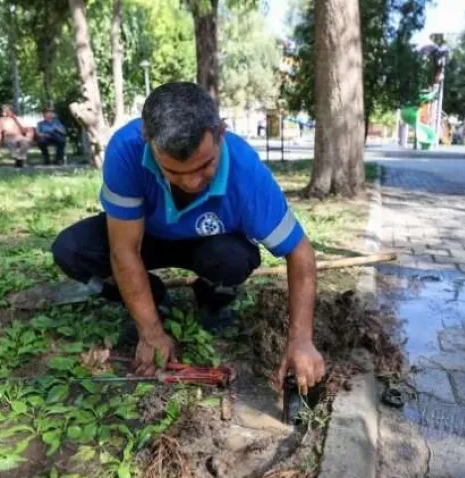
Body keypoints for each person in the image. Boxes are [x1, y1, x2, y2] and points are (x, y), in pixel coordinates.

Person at [51, 82, 326, 391]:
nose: (192, 182)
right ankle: (154, 301)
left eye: (205, 165)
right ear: (148, 141)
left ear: (221, 133)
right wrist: (151, 332)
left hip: (210, 244)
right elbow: (125, 250)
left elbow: (300, 252)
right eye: (174, 171)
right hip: (145, 237)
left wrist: (301, 340)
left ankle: (213, 300)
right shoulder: (126, 150)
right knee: (70, 250)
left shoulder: (246, 173)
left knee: (234, 259)